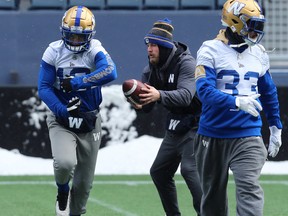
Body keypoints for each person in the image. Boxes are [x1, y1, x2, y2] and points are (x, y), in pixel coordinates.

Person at [194, 0, 282, 215]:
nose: (256, 31)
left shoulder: (259, 52)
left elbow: (268, 91)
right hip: (213, 134)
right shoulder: (209, 49)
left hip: (248, 134)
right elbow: (203, 91)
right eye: (251, 25)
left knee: (249, 187)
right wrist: (235, 101)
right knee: (213, 197)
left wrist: (275, 126)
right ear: (235, 22)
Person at [38, 6, 117, 216]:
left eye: (79, 36)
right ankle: (62, 191)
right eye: (70, 35)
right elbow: (44, 88)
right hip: (62, 119)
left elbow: (111, 71)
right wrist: (61, 109)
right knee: (65, 163)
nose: (74, 40)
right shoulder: (54, 51)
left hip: (90, 120)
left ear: (89, 36)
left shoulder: (95, 49)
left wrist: (77, 82)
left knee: (83, 186)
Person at [128, 18, 202, 216]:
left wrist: (159, 95)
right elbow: (148, 108)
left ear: (164, 47)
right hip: (176, 125)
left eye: (153, 45)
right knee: (159, 172)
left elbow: (186, 96)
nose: (149, 50)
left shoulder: (186, 63)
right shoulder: (149, 70)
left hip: (198, 124)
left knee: (189, 170)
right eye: (148, 45)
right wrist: (139, 103)